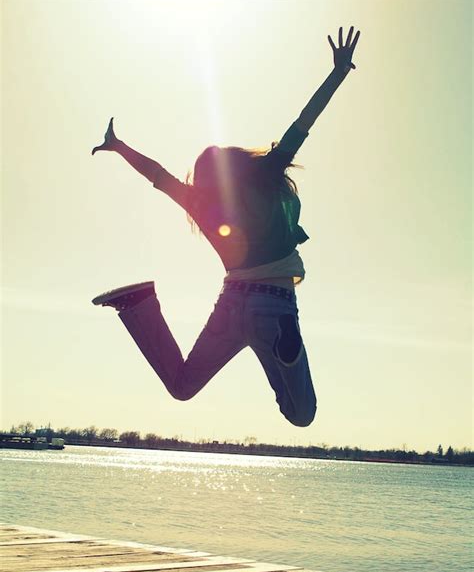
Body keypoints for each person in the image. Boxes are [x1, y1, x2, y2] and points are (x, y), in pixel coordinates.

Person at [92, 26, 360, 427]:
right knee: (301, 415)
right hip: (275, 304)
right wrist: (338, 73)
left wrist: (119, 146)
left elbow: (158, 175)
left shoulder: (201, 205)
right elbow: (303, 123)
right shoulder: (265, 175)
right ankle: (289, 352)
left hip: (232, 302)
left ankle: (139, 304)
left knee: (182, 386)